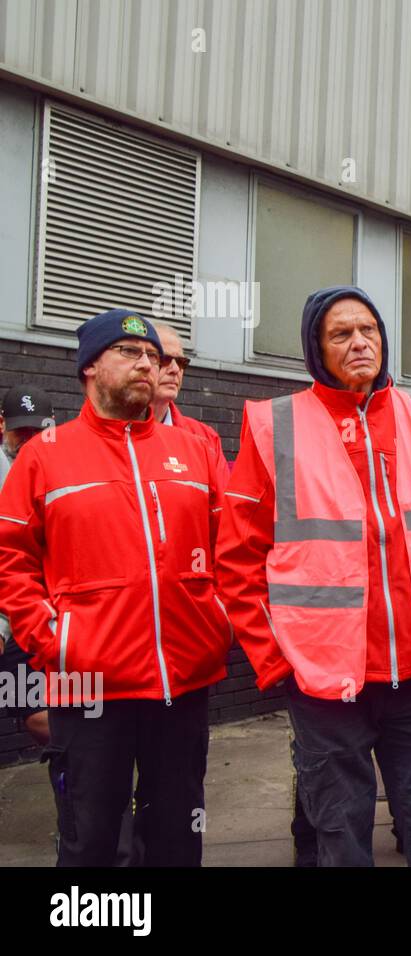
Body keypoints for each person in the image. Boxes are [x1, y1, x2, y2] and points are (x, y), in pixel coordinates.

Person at [216, 285, 411, 867]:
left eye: (370, 330)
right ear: (316, 348)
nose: (361, 342)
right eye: (341, 334)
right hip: (325, 680)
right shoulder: (273, 425)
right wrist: (276, 659)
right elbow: (237, 558)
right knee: (340, 835)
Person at [0, 309, 230, 866]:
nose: (148, 364)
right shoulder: (44, 456)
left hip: (183, 680)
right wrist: (52, 637)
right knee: (91, 840)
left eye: (154, 356)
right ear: (89, 368)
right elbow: (12, 559)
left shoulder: (197, 451)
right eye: (130, 353)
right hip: (88, 682)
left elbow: (234, 547)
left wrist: (215, 618)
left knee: (177, 838)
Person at [0, 385, 56, 747]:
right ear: (2, 426)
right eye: (20, 431)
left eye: (37, 431)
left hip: (52, 612)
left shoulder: (60, 467)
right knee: (38, 713)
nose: (28, 440)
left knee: (73, 710)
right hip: (12, 615)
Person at [150, 321, 226, 465]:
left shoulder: (206, 438)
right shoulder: (114, 432)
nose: (175, 369)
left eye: (181, 362)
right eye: (164, 359)